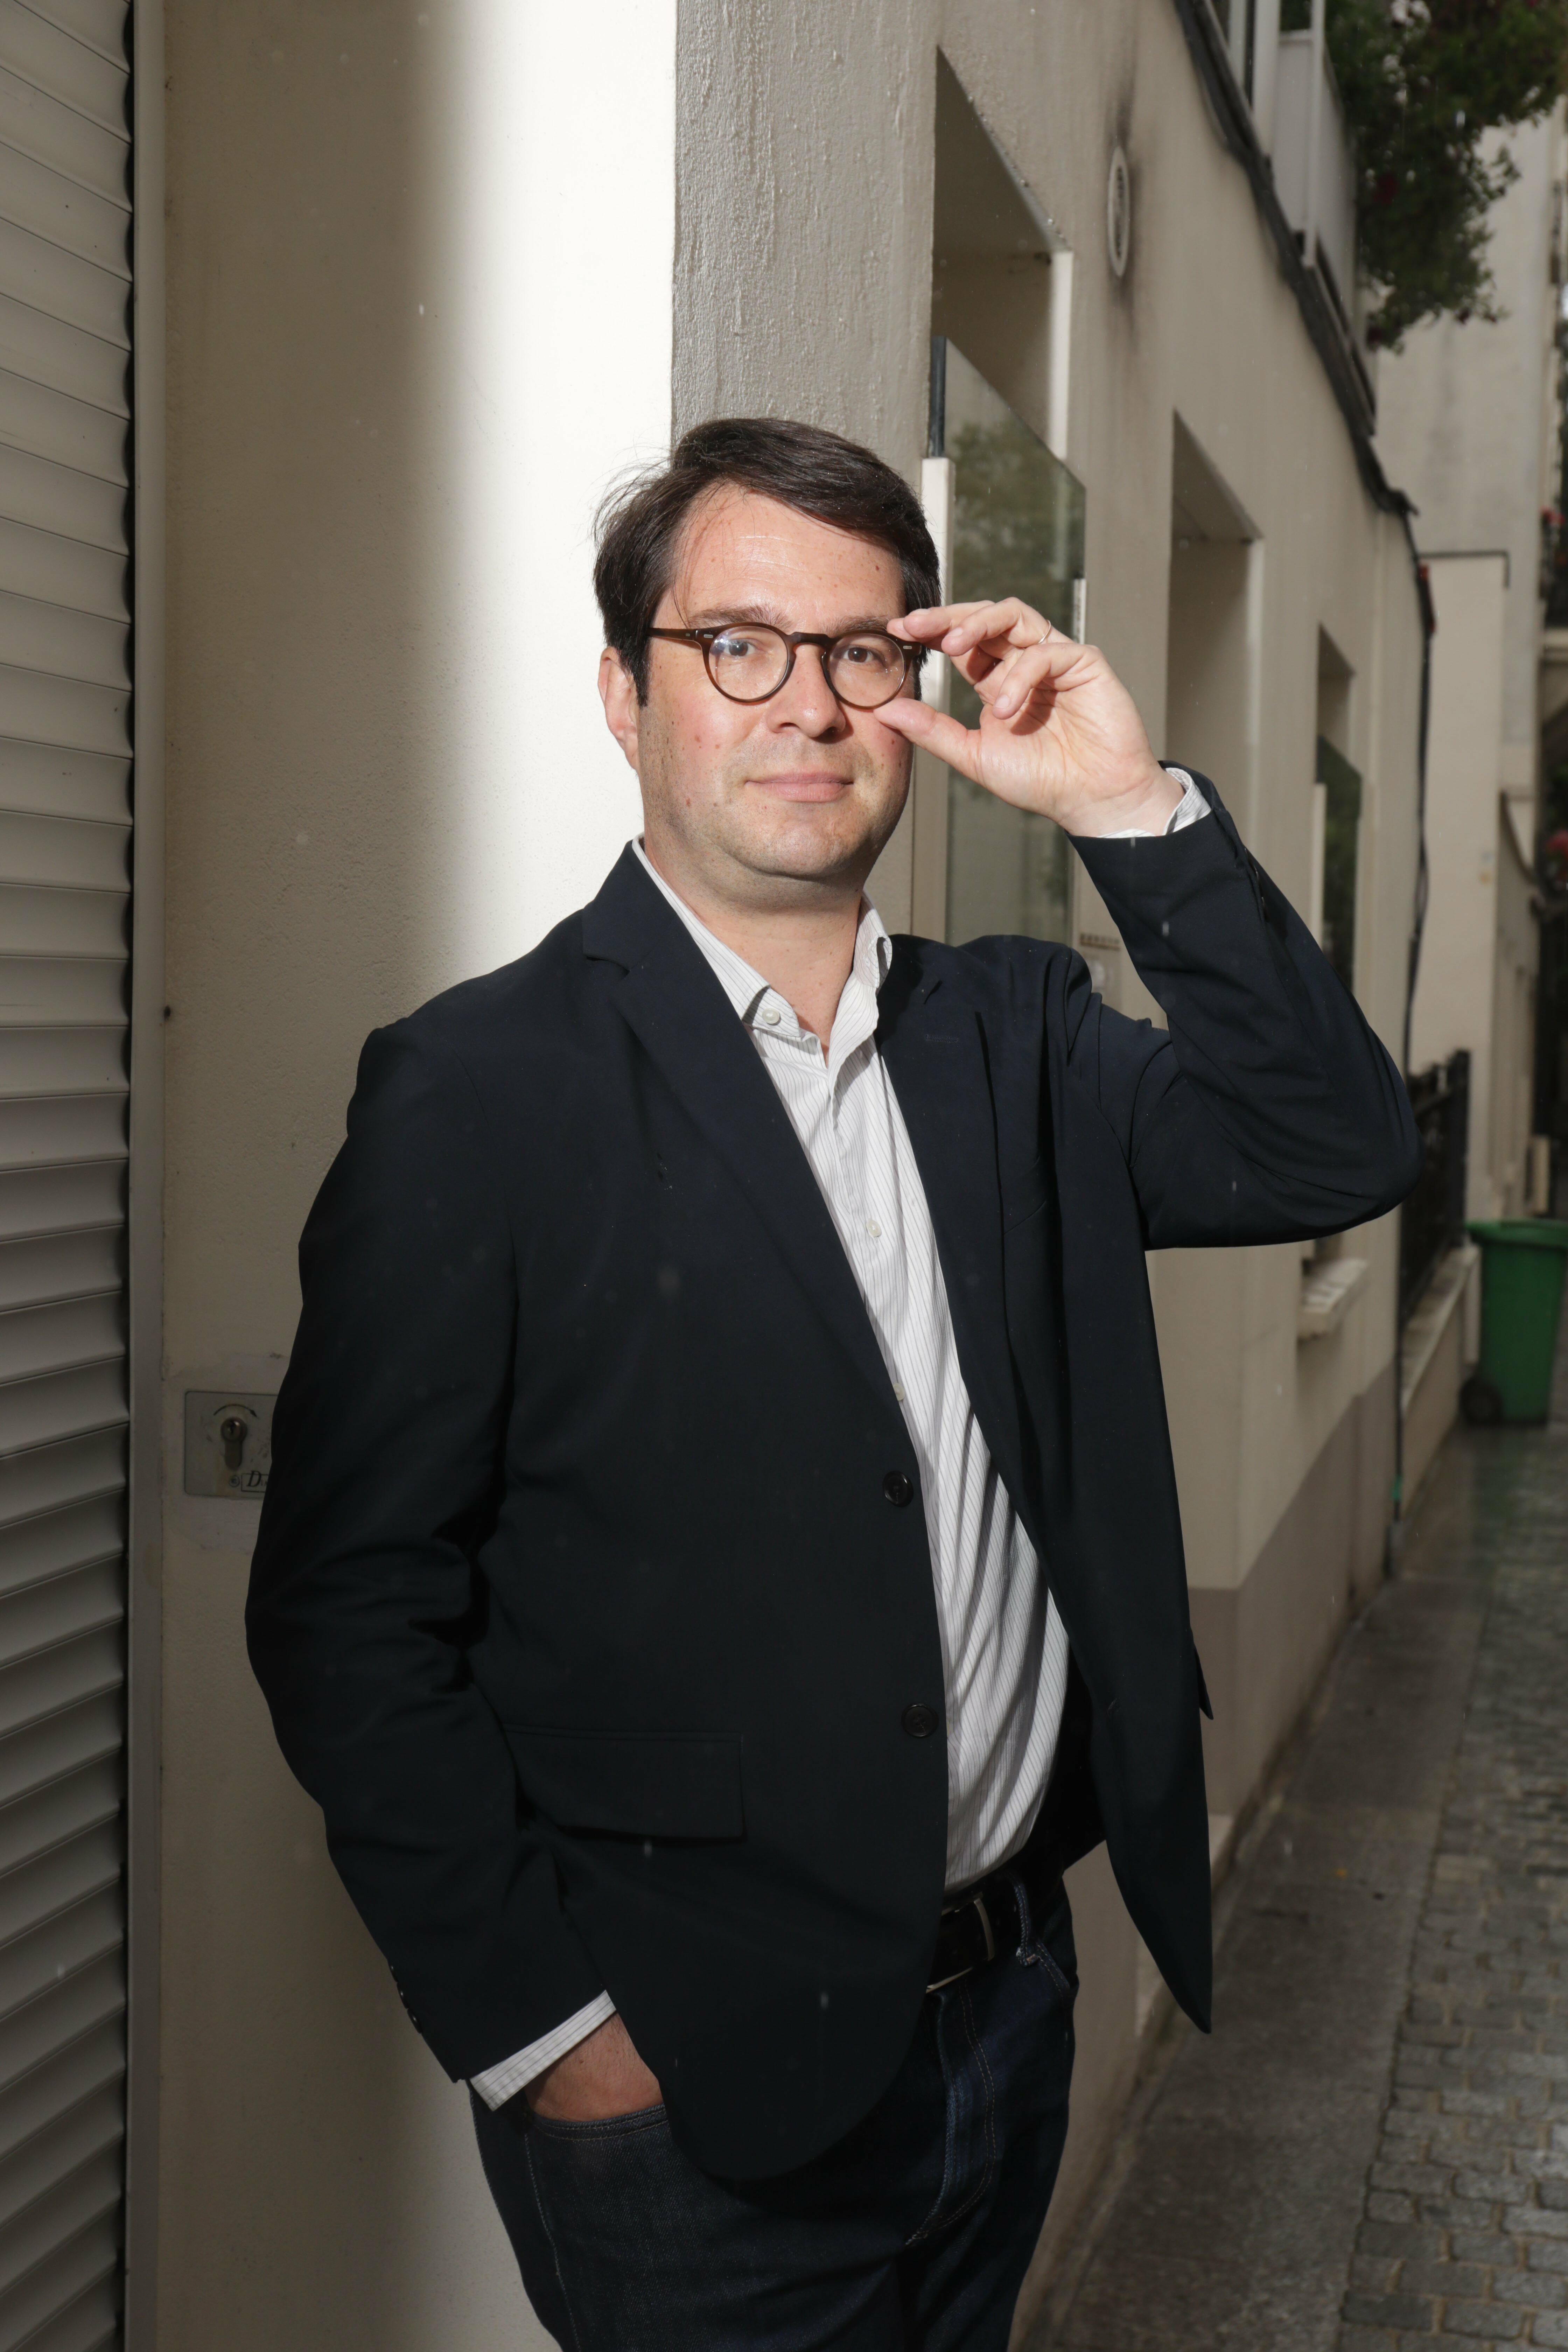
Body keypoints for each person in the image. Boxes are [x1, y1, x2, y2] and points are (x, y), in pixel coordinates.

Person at [246, 416, 1421, 2349]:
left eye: (862, 651)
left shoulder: (1018, 1037)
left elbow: (1337, 1147)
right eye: (740, 646)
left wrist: (1131, 810)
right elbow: (346, 1611)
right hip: (688, 2093)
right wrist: (553, 2038)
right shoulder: (481, 1091)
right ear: (626, 696)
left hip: (1006, 2016)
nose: (808, 703)